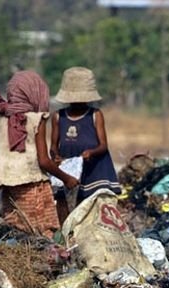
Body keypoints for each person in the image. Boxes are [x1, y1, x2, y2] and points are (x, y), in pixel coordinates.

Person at [0, 70, 78, 238]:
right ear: (34, 93)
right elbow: (44, 161)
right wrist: (67, 179)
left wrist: (1, 178)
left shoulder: (0, 118)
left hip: (9, 190)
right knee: (44, 234)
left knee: (17, 232)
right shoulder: (36, 119)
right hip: (34, 188)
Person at [50, 67, 121, 223]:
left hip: (93, 170)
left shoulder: (95, 115)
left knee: (93, 212)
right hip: (69, 170)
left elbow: (103, 145)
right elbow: (53, 146)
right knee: (65, 210)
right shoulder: (58, 116)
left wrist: (91, 152)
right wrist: (55, 157)